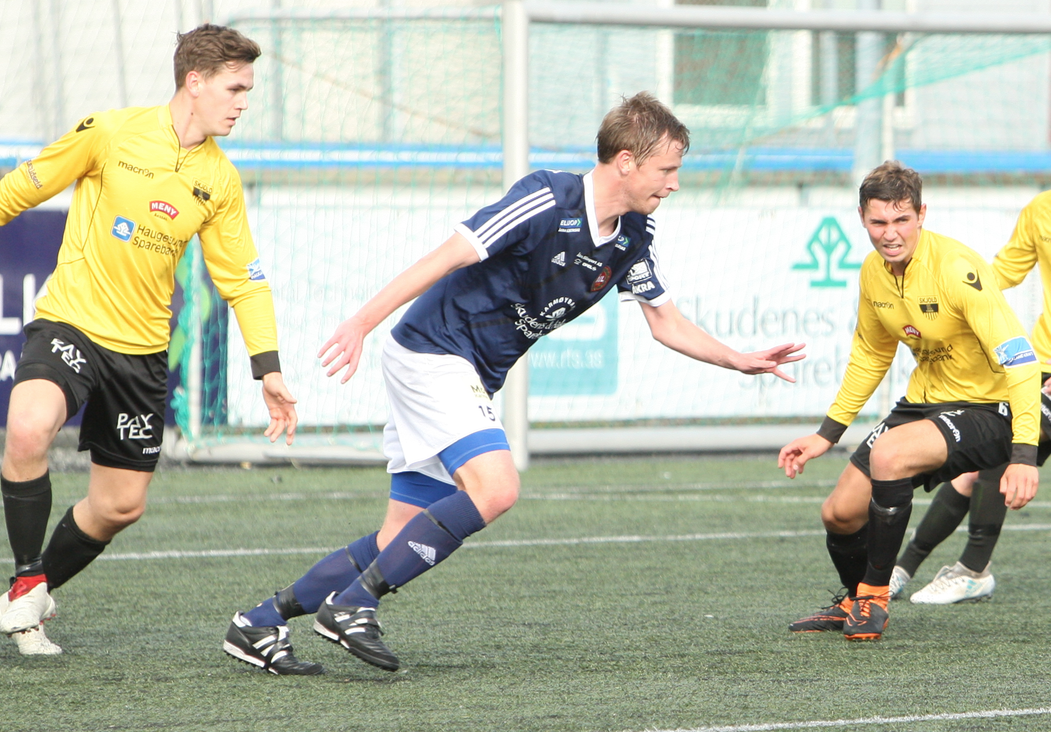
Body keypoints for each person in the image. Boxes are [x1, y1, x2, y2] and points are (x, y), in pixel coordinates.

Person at [223, 92, 805, 674]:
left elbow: (665, 322)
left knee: (396, 538)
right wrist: (360, 323)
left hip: (466, 372)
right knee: (497, 488)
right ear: (627, 161)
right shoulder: (546, 198)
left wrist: (738, 359)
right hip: (433, 350)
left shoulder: (634, 234)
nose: (675, 184)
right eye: (667, 169)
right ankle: (353, 605)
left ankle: (260, 622)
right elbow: (445, 258)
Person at [0, 25, 298, 656]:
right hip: (72, 322)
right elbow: (21, 188)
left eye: (248, 90)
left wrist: (267, 367)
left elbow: (243, 280)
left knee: (119, 507)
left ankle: (28, 596)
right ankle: (26, 581)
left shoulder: (220, 180)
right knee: (27, 429)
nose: (244, 103)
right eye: (235, 88)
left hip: (140, 354)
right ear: (195, 81)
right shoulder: (110, 133)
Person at [890, 115, 1051, 605]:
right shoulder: (1039, 211)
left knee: (1004, 441)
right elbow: (1002, 273)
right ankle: (903, 568)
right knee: (972, 465)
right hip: (1045, 362)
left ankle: (973, 570)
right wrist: (953, 297)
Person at [778, 161, 1041, 642]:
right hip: (924, 403)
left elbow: (1022, 362)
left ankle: (874, 598)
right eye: (879, 221)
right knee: (839, 513)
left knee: (889, 454)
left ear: (921, 214)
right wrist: (826, 435)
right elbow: (871, 355)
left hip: (988, 409)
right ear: (862, 218)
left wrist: (1024, 455)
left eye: (902, 220)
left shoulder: (958, 269)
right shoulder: (872, 272)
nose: (890, 233)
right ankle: (853, 598)